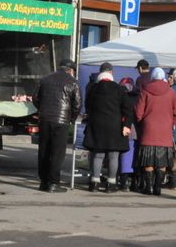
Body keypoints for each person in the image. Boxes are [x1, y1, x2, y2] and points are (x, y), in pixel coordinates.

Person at [82, 63, 133, 193]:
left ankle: (94, 182)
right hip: (115, 128)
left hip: (97, 126)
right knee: (113, 156)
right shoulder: (119, 89)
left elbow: (87, 107)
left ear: (100, 73)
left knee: (98, 155)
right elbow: (128, 109)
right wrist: (126, 125)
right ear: (111, 73)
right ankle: (111, 184)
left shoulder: (92, 89)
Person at [33, 59, 81, 193]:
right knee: (57, 153)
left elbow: (35, 98)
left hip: (45, 119)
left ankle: (43, 182)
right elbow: (77, 104)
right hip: (61, 121)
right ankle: (53, 183)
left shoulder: (45, 79)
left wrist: (42, 110)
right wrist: (71, 118)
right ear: (70, 70)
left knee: (44, 150)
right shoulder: (73, 82)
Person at [134, 67, 176, 196]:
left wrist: (142, 121)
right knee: (162, 161)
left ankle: (148, 187)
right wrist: (171, 123)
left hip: (149, 129)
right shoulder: (171, 92)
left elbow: (139, 112)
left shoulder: (145, 91)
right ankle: (157, 187)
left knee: (148, 160)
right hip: (165, 131)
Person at [117, 77, 138, 191]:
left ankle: (123, 182)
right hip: (136, 130)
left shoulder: (119, 95)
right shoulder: (138, 95)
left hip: (121, 128)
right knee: (134, 157)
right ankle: (134, 182)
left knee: (124, 157)